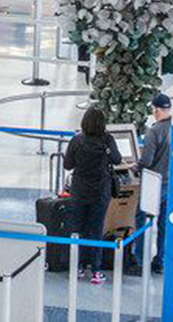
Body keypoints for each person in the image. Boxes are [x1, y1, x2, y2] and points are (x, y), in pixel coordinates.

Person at [62, 107, 122, 285]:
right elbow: (117, 159)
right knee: (96, 229)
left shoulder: (77, 140)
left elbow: (67, 164)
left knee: (77, 228)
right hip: (100, 191)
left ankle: (77, 266)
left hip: (79, 190)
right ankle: (96, 270)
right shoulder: (107, 139)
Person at [132, 92, 173, 271]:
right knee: (164, 224)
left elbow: (147, 161)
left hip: (154, 184)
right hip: (171, 184)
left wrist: (135, 167)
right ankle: (160, 262)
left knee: (141, 219)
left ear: (156, 110)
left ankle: (139, 260)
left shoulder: (154, 131)